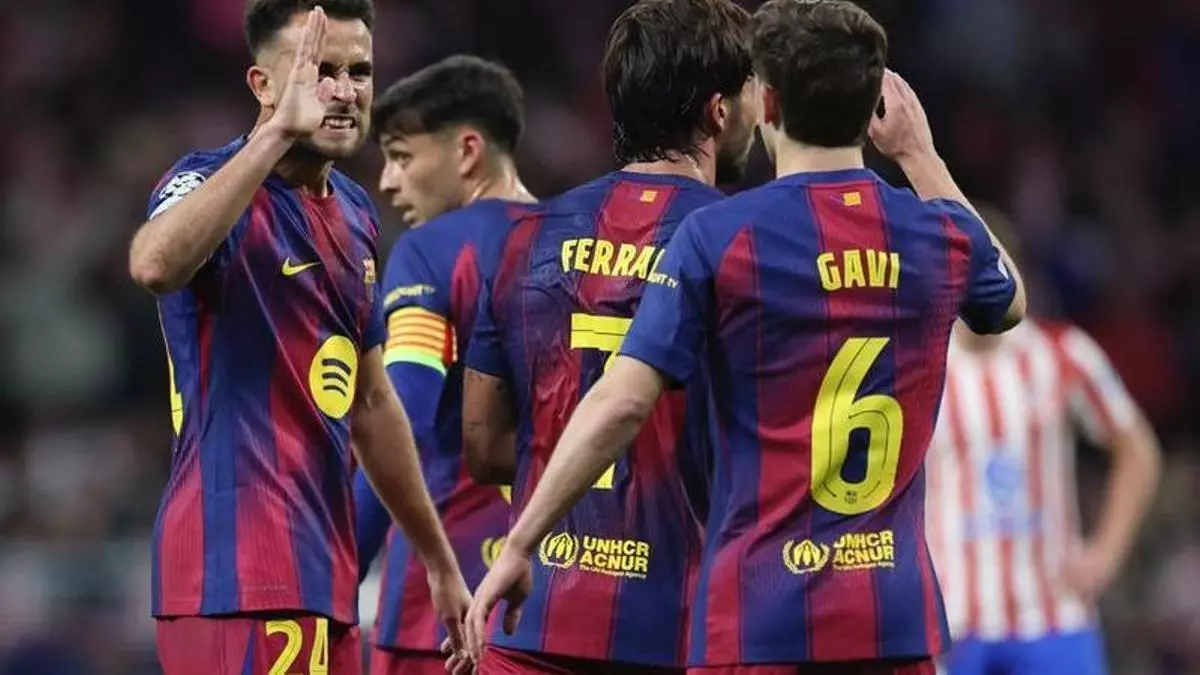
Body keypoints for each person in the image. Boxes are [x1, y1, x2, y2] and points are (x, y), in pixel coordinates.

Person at [466, 2, 1028, 675]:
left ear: (767, 101)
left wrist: (521, 542)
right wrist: (919, 153)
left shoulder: (726, 237)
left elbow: (619, 400)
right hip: (892, 617)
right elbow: (1008, 300)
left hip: (759, 617)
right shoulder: (938, 235)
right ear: (873, 104)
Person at [127, 2, 469, 673]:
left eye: (359, 72)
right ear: (263, 85)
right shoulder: (205, 180)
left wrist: (436, 558)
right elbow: (154, 265)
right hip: (234, 573)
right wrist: (276, 134)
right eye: (320, 70)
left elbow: (372, 402)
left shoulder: (356, 213)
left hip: (323, 575)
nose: (343, 91)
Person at [455, 0, 758, 672]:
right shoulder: (746, 243)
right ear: (718, 111)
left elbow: (484, 444)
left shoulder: (522, 238)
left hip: (531, 619)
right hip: (684, 631)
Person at [353, 54, 536, 675]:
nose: (387, 182)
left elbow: (398, 416)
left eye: (401, 156)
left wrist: (341, 567)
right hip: (558, 598)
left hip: (440, 615)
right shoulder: (579, 245)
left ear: (467, 150)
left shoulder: (431, 254)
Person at [925, 210, 1161, 675]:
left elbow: (1137, 449)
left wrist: (1106, 553)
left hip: (1052, 617)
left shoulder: (1060, 352)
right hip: (954, 620)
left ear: (1012, 273)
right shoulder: (920, 367)